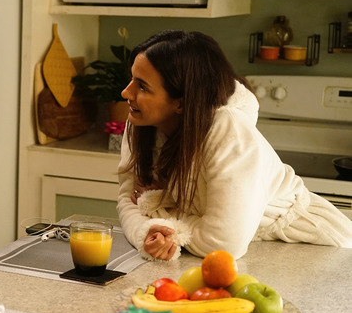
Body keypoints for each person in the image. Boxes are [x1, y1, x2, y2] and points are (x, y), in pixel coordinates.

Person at [116, 30, 352, 261]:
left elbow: (222, 244)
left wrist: (161, 215)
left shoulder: (229, 130)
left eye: (143, 86)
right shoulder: (140, 121)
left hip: (318, 252)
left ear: (181, 102)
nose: (127, 92)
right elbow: (127, 201)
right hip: (255, 254)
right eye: (132, 79)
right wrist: (145, 233)